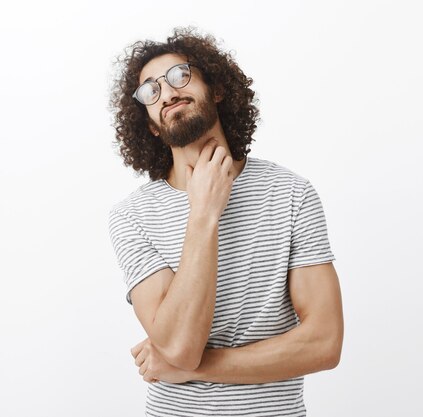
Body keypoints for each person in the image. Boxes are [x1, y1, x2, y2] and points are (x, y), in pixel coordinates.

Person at [107, 27, 344, 417]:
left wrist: (190, 368)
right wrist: (203, 213)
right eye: (150, 91)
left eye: (179, 75)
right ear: (150, 124)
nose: (166, 92)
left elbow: (324, 343)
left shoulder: (292, 194)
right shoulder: (132, 216)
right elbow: (180, 344)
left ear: (216, 89)